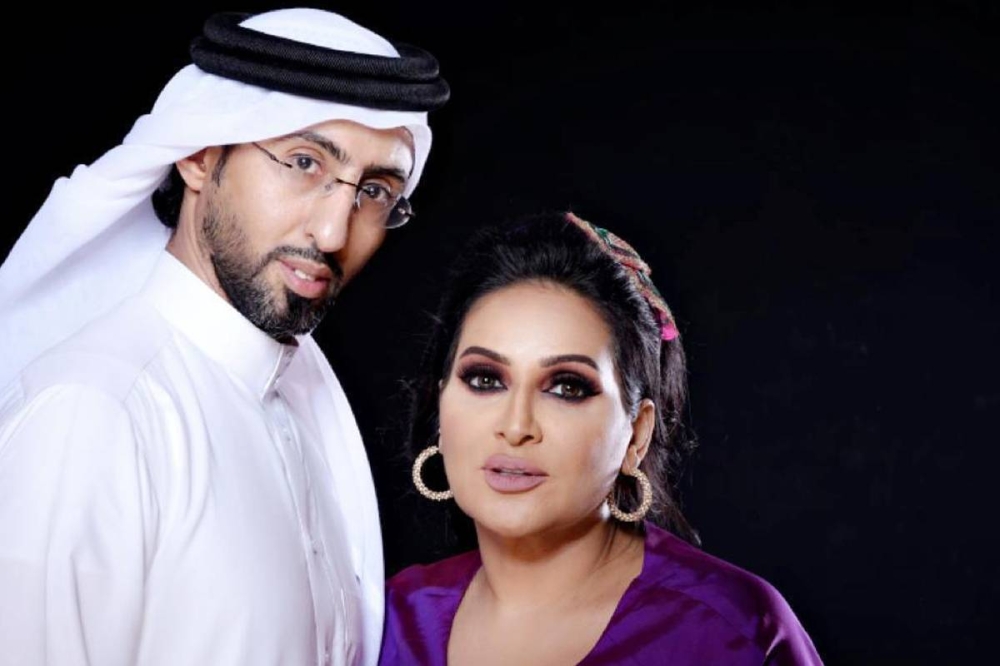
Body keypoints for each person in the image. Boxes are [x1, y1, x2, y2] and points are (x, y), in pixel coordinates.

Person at [0, 8, 447, 666]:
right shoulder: (93, 415)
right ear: (200, 156)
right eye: (304, 162)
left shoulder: (308, 411)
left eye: (375, 191)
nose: (333, 233)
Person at [380, 211, 823, 665]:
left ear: (637, 434)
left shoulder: (730, 632)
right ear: (440, 407)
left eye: (566, 388)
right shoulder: (387, 621)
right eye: (485, 380)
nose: (515, 427)